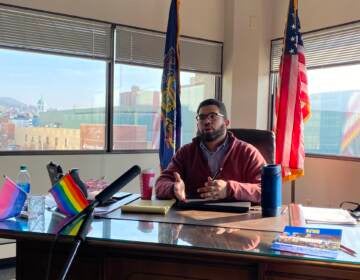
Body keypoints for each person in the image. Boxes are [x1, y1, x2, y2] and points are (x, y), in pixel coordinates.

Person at [155, 98, 266, 204]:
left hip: (235, 220)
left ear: (226, 123)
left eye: (213, 116)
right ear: (197, 124)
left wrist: (229, 189)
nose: (207, 121)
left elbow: (266, 190)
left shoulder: (248, 152)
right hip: (193, 218)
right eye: (202, 117)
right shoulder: (185, 153)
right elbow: (160, 184)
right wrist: (173, 188)